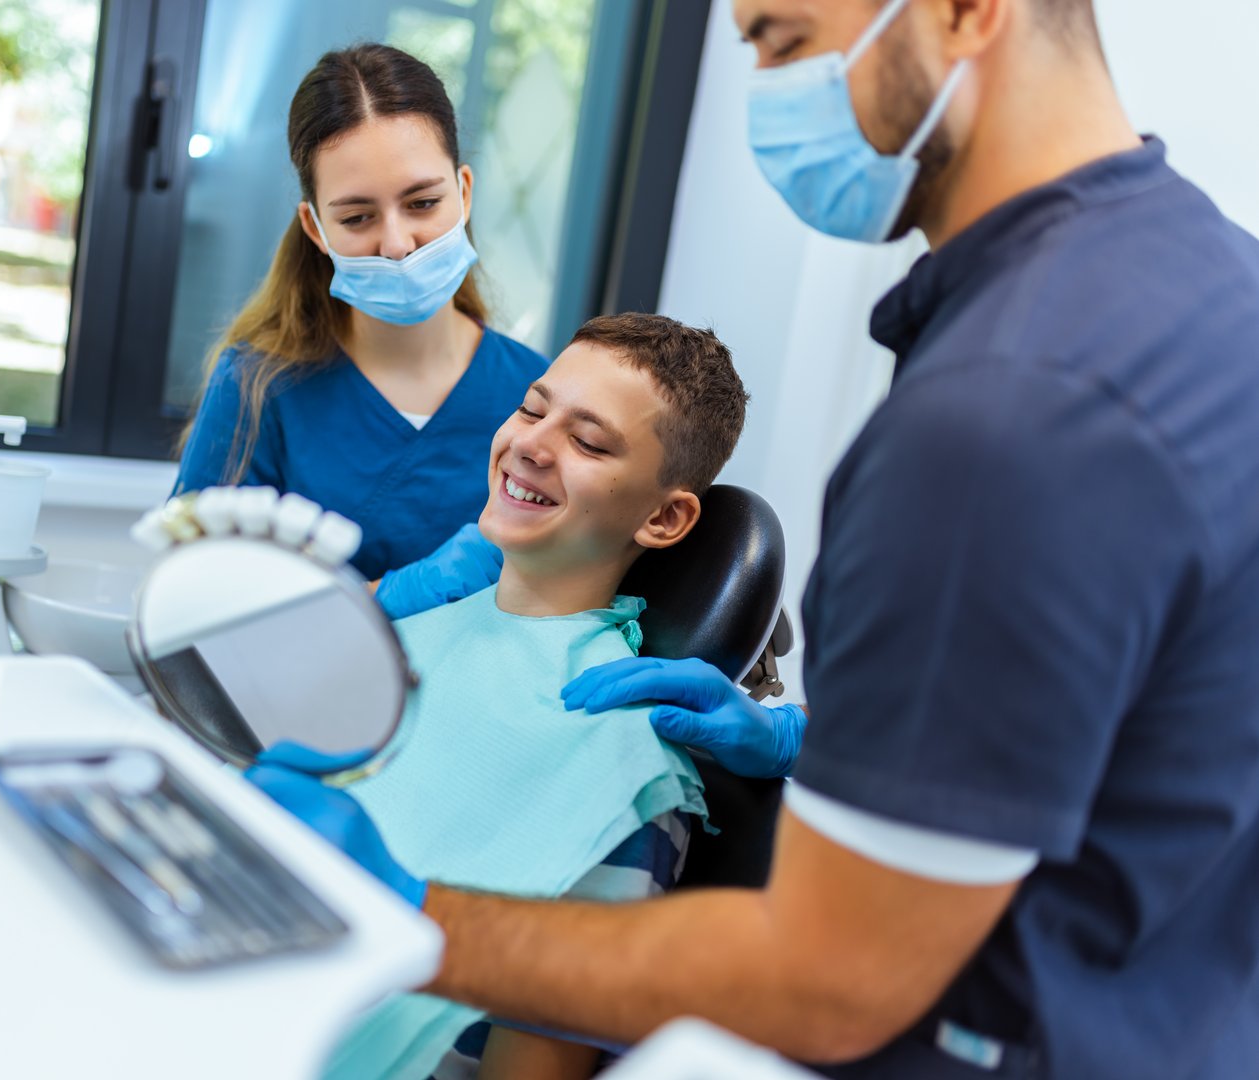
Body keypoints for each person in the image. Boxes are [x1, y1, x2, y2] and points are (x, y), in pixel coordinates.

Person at [250, 0, 1259, 1075]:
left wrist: (398, 913)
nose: (766, 100)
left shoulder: (1006, 408)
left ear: (965, 13)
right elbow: (1110, 732)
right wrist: (806, 737)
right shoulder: (1209, 295)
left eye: (782, 43)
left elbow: (827, 983)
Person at [251, 311, 745, 1080]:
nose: (531, 444)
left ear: (663, 516)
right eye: (530, 408)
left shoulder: (624, 763)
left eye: (587, 440)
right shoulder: (401, 640)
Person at [174, 44, 547, 608]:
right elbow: (195, 596)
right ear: (316, 228)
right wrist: (388, 598)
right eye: (357, 217)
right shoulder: (258, 384)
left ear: (464, 193)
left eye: (422, 203)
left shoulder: (536, 397)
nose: (397, 244)